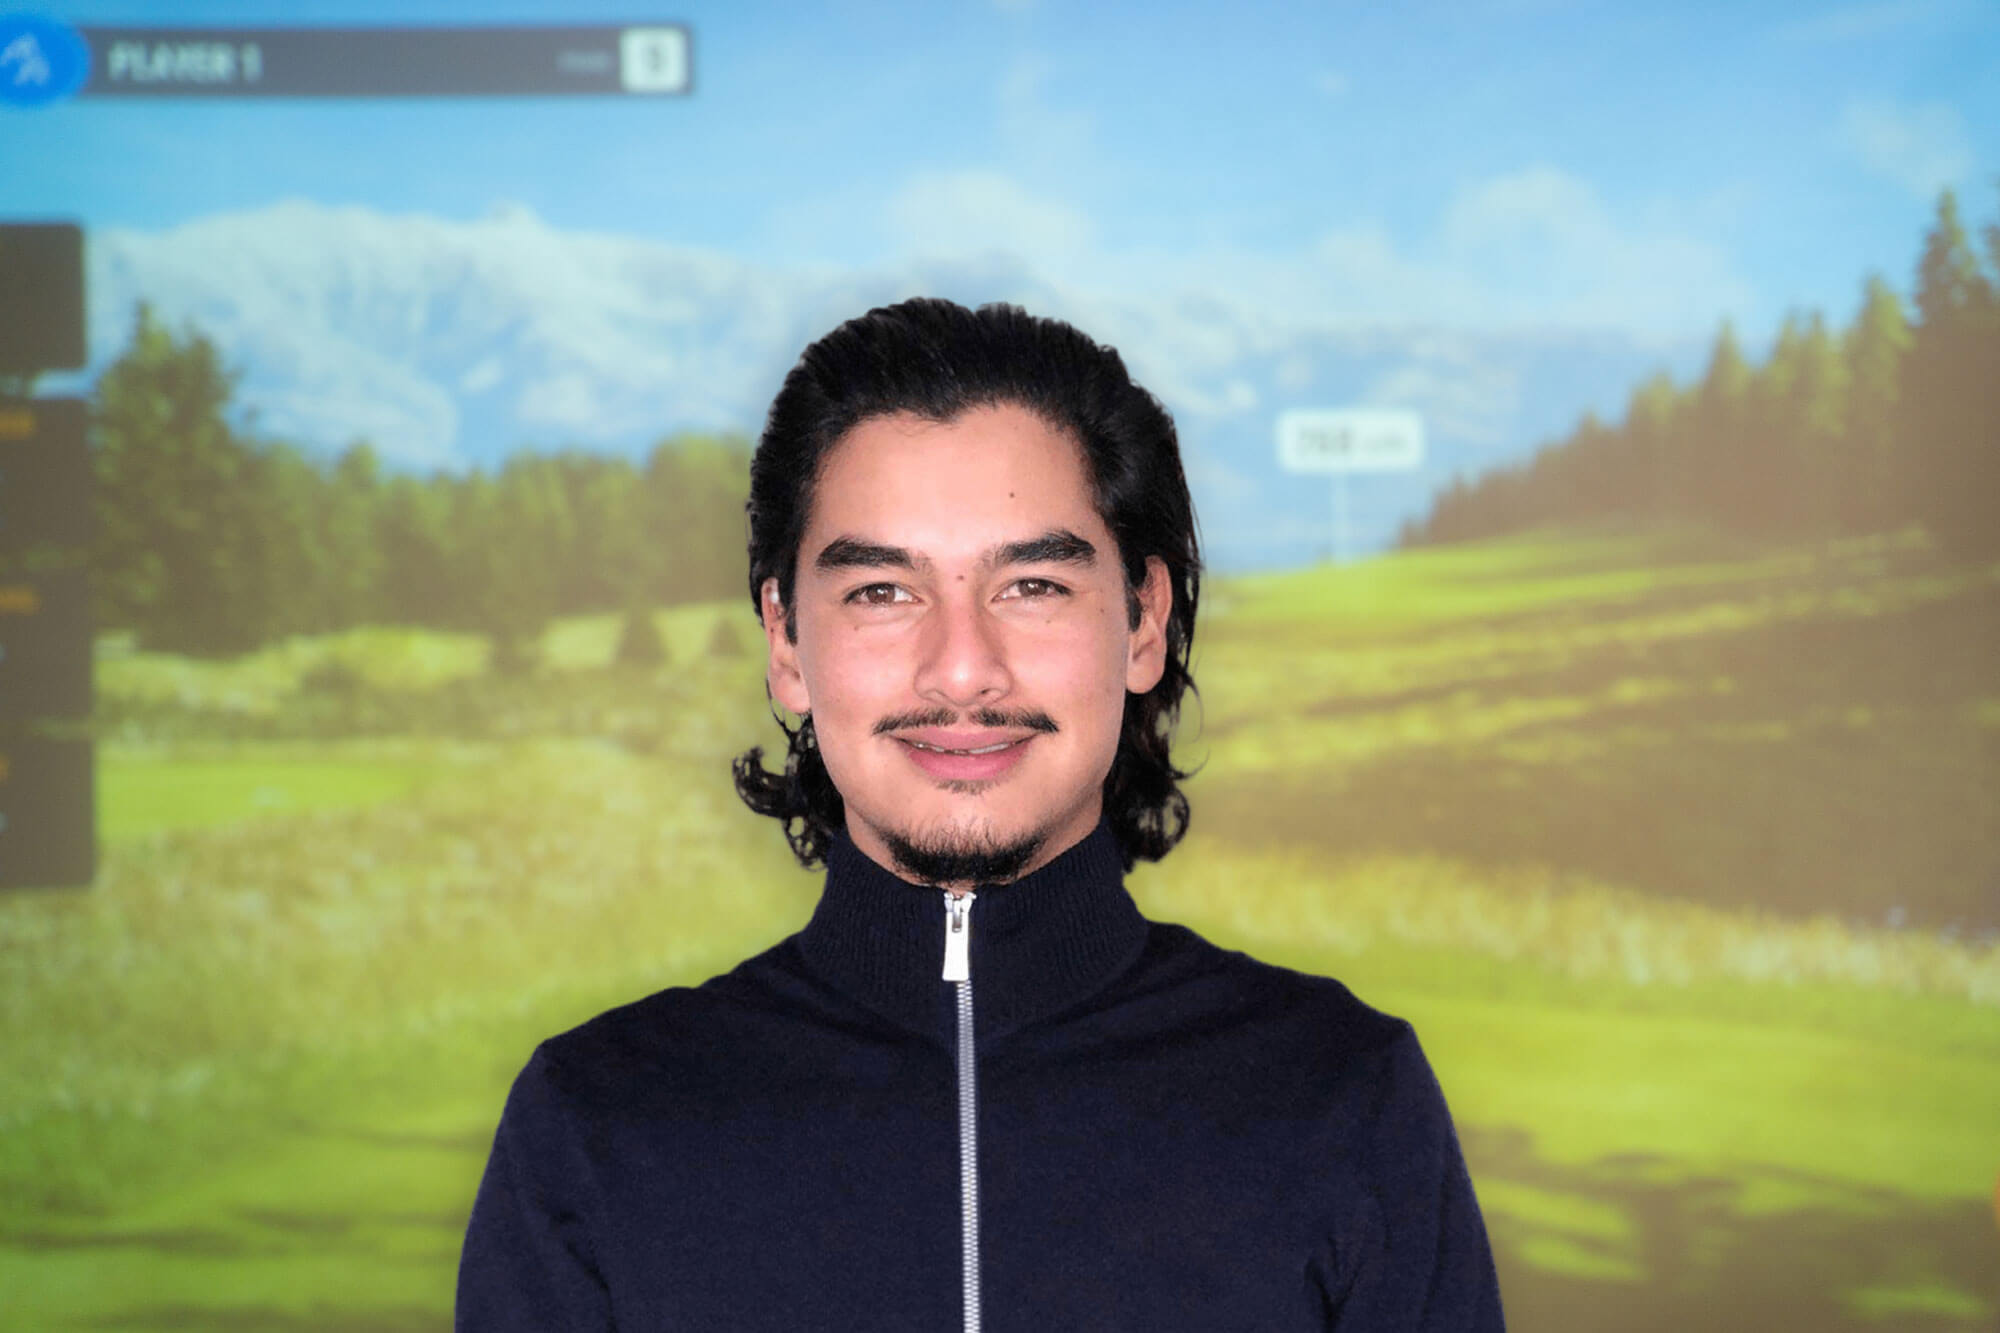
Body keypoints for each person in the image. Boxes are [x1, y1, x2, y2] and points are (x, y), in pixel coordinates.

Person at [456, 298, 1505, 1331]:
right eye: (881, 591)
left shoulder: (1344, 1094)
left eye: (1032, 585)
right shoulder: (594, 1123)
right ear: (785, 640)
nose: (961, 668)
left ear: (1143, 622)